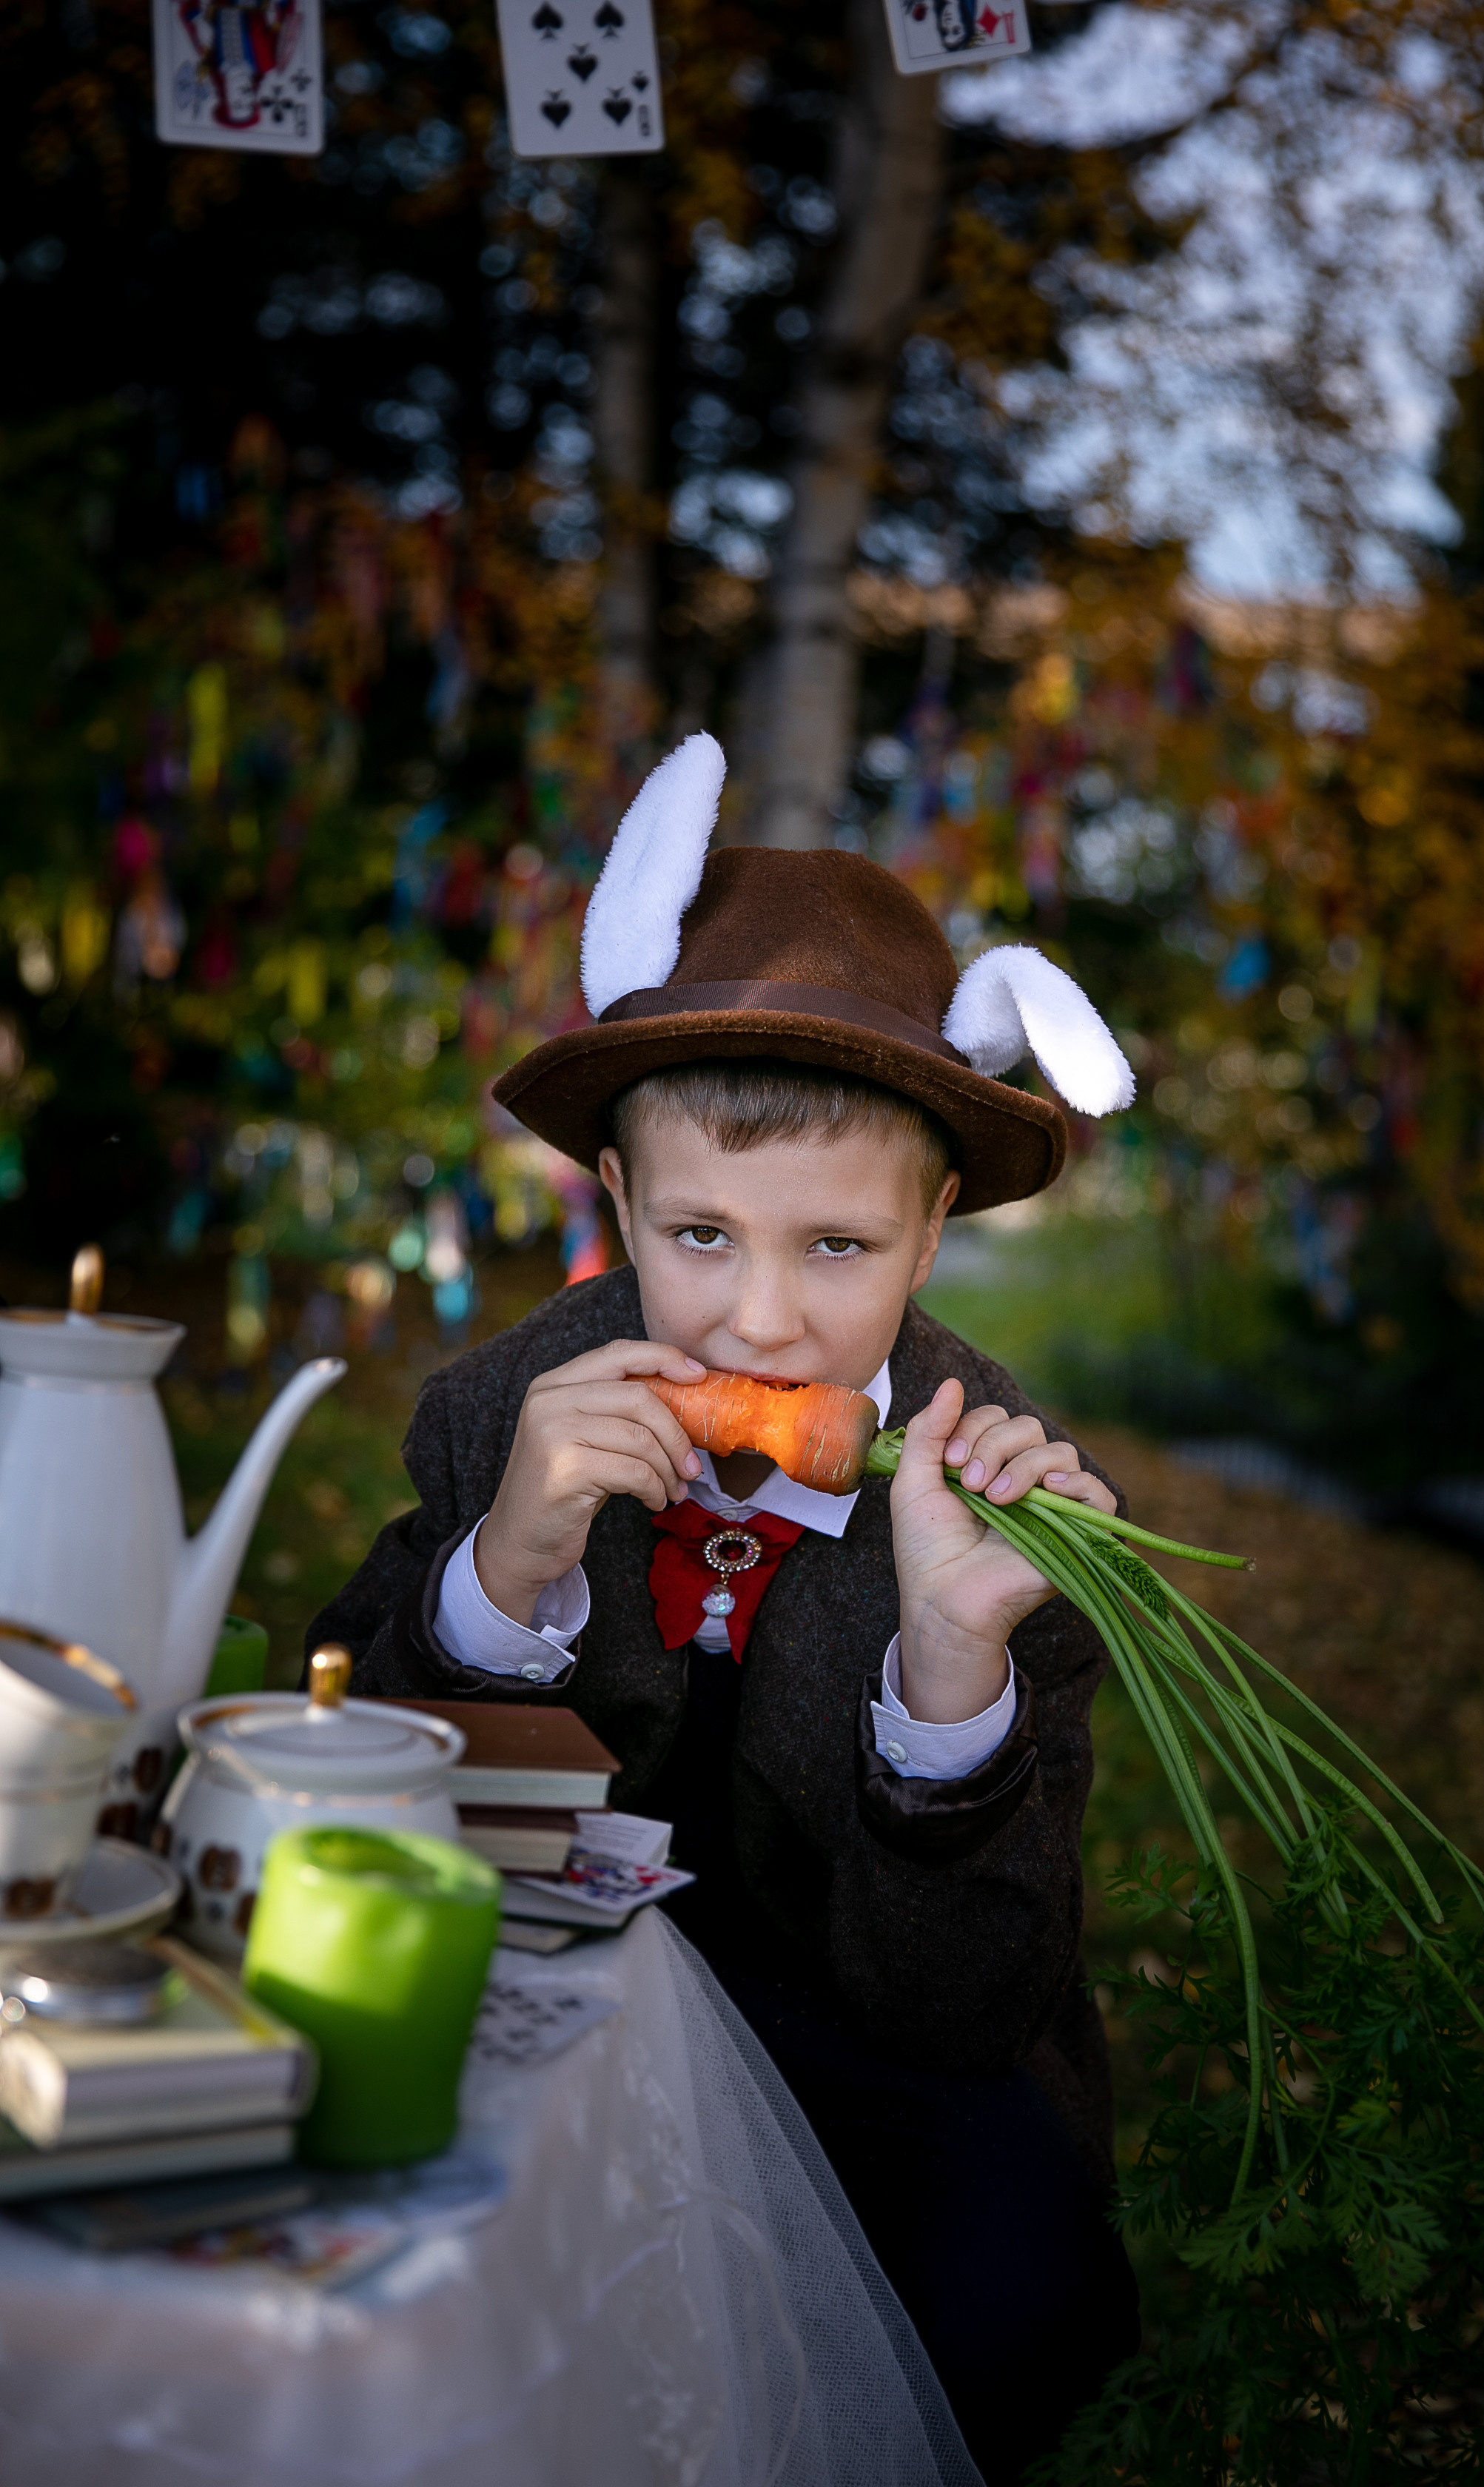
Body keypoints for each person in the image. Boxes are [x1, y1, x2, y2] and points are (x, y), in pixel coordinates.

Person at [311, 734, 1143, 2481]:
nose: (756, 1323)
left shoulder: (1011, 1511)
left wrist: (949, 1671)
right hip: (557, 1995)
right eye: (700, 1238)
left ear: (927, 1245)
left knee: (1009, 2287)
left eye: (835, 1250)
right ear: (614, 1203)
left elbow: (968, 2001)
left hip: (862, 2028)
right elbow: (369, 1797)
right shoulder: (497, 1417)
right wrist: (504, 1576)